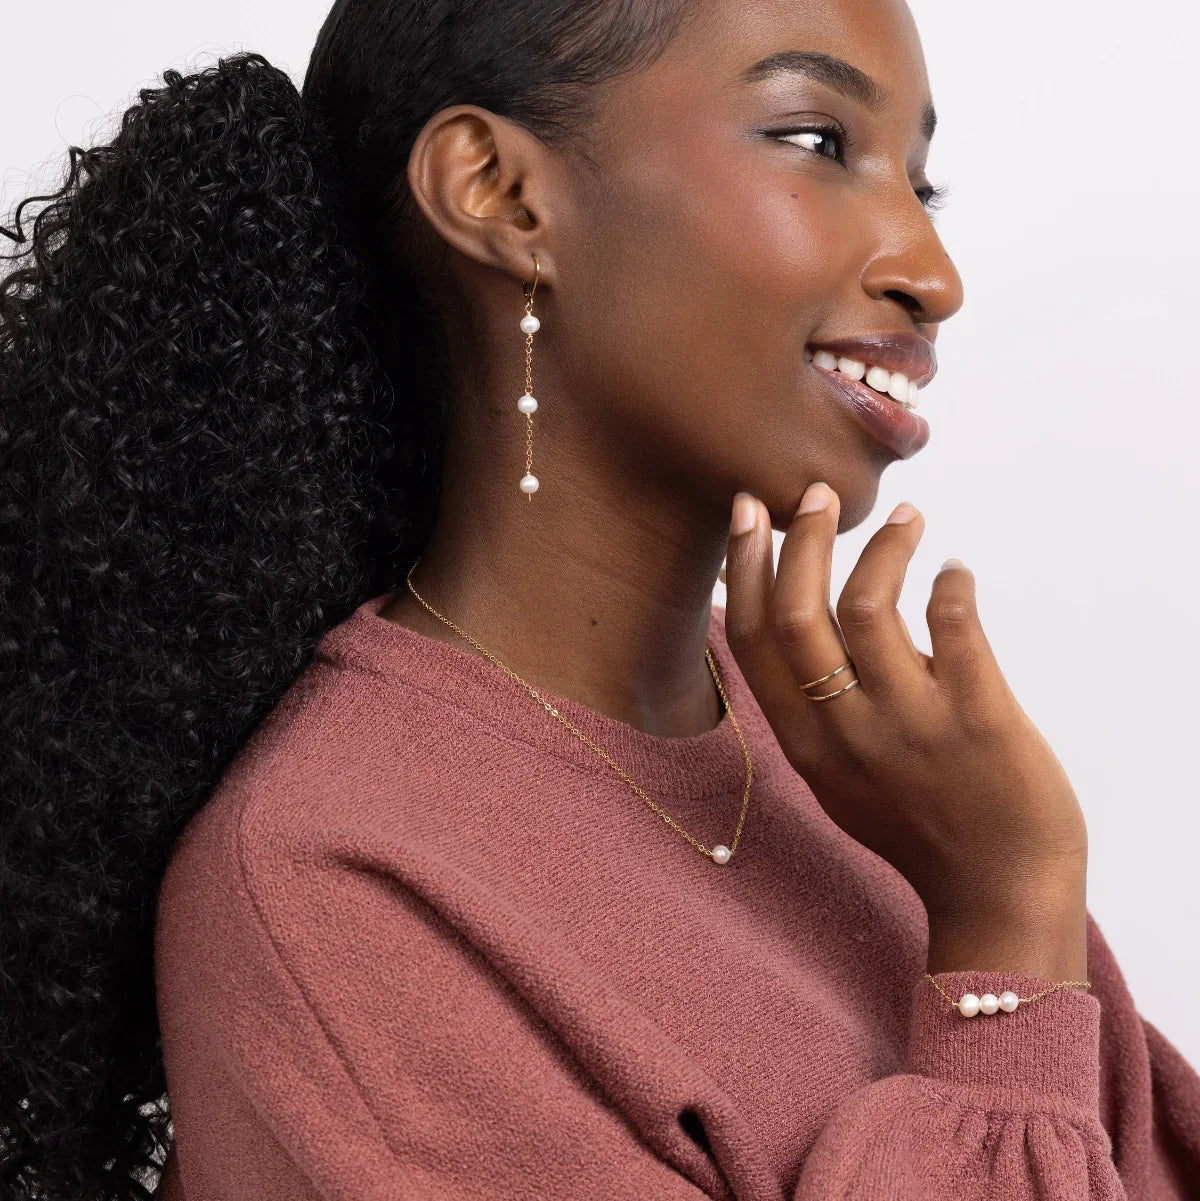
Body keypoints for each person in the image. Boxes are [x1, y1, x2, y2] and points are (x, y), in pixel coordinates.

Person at [2, 0, 1197, 1197]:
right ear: (501, 193)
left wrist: (1001, 892)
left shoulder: (885, 772)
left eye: (922, 187)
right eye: (816, 143)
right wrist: (1004, 926)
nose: (932, 276)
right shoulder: (338, 890)